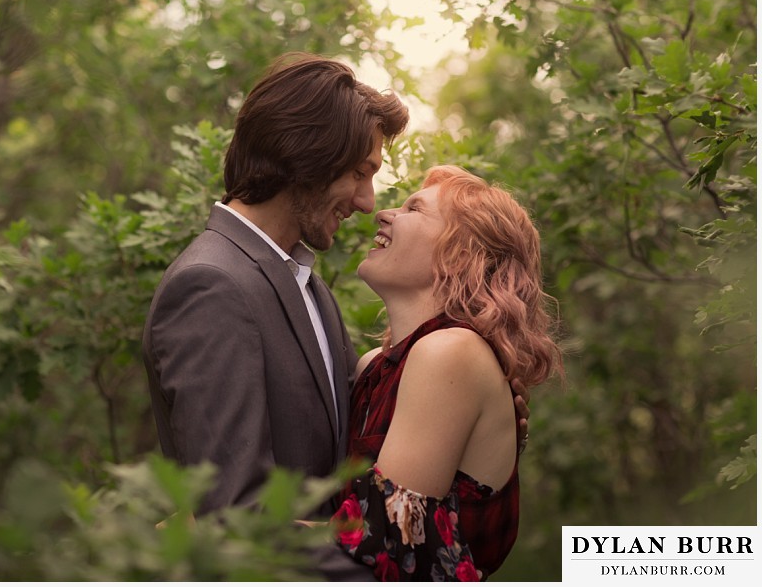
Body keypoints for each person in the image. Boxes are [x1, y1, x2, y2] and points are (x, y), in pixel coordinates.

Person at [141, 53, 529, 580]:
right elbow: (237, 517)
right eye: (360, 173)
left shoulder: (311, 290)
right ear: (308, 156)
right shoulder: (212, 284)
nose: (370, 203)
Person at [329, 165, 565, 581]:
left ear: (460, 254)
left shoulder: (450, 352)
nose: (383, 214)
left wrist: (211, 534)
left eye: (413, 209)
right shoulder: (375, 367)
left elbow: (385, 543)